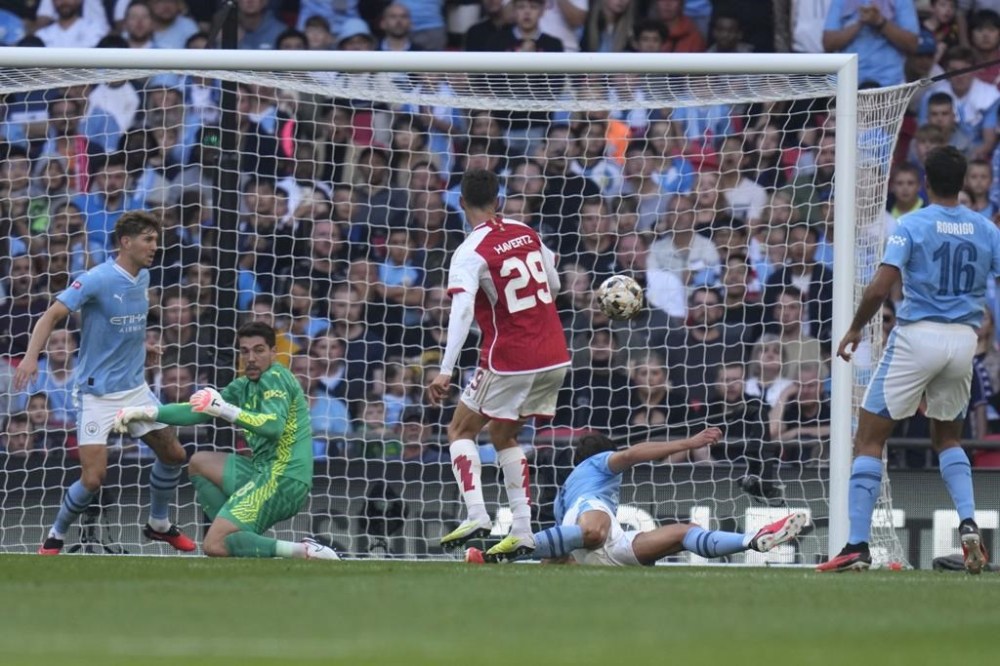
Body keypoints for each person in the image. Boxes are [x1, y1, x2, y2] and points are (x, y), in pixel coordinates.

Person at [818, 146, 997, 574]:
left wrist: (857, 327)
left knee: (869, 439)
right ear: (961, 181)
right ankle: (969, 523)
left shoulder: (911, 223)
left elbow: (881, 287)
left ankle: (856, 545)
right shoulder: (987, 229)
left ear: (926, 182)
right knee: (948, 439)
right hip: (963, 342)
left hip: (918, 335)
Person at [13, 211, 195, 556]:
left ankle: (159, 524)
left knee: (174, 454)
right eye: (148, 239)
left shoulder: (143, 278)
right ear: (125, 242)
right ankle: (54, 535)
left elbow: (125, 324)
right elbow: (51, 315)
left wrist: (144, 346)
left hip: (135, 390)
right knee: (93, 477)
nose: (154, 247)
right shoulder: (96, 279)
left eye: (156, 240)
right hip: (96, 394)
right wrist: (29, 358)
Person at [427, 168, 570, 561]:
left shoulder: (470, 252)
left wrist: (446, 368)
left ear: (460, 203)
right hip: (555, 355)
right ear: (500, 200)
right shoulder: (527, 231)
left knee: (460, 428)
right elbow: (555, 285)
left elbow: (460, 311)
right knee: (505, 436)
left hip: (510, 357)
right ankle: (523, 530)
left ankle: (476, 515)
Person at [114, 322, 340, 560]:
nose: (251, 358)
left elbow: (273, 427)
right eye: (244, 351)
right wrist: (146, 413)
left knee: (214, 545)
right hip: (261, 471)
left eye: (259, 350)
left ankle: (302, 550)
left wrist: (225, 410)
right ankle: (241, 538)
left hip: (283, 478)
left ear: (274, 353)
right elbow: (197, 411)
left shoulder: (276, 378)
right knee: (200, 463)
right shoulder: (242, 386)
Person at [466, 429, 808, 565]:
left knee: (682, 533)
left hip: (607, 549)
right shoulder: (595, 464)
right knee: (594, 530)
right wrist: (688, 444)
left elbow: (559, 554)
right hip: (594, 526)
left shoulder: (563, 495)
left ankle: (753, 539)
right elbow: (633, 455)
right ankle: (502, 552)